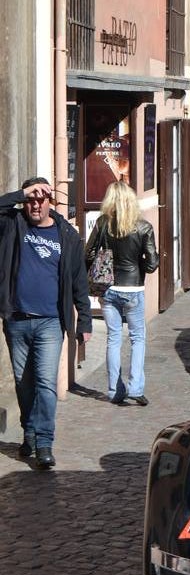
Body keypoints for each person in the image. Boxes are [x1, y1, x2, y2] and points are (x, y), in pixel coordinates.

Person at [0, 176, 92, 468]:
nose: (36, 204)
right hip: (16, 319)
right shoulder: (14, 225)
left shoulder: (66, 234)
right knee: (23, 384)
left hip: (51, 322)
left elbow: (79, 280)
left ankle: (44, 443)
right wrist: (20, 193)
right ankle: (29, 431)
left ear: (50, 202)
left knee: (45, 383)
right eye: (31, 199)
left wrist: (85, 321)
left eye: (41, 199)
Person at [85, 181, 159, 406]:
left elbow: (88, 254)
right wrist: (141, 265)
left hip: (109, 288)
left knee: (114, 339)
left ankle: (114, 390)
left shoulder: (102, 223)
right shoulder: (143, 227)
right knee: (137, 338)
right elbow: (152, 263)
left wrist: (99, 271)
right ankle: (135, 388)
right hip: (133, 288)